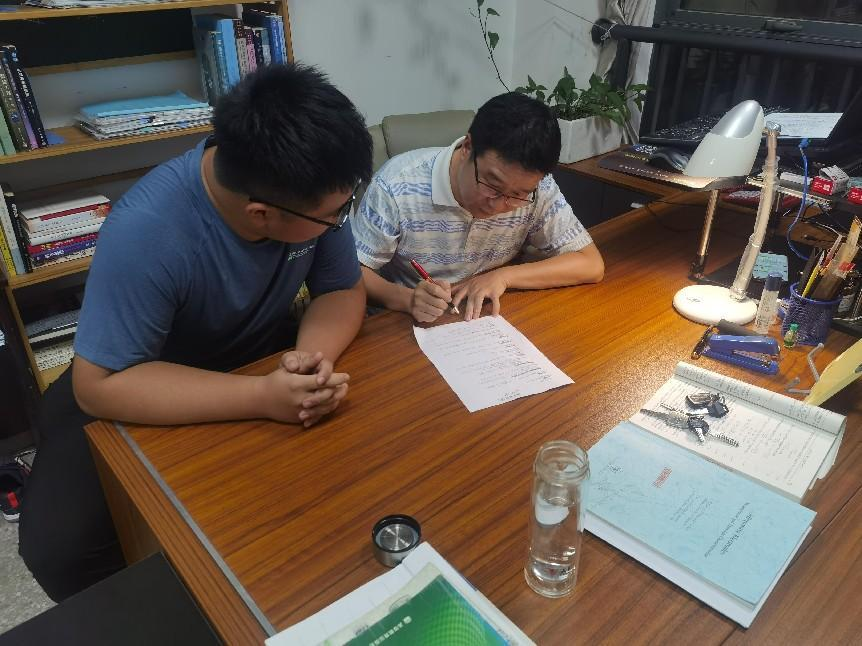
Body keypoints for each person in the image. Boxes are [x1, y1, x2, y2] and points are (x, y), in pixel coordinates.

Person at [19, 63, 372, 601]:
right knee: (58, 549)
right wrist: (262, 396)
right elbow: (99, 384)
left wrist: (310, 360)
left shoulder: (307, 194)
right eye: (334, 214)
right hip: (142, 375)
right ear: (261, 215)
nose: (341, 218)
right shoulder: (147, 232)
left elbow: (341, 290)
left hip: (259, 349)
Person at [353, 92, 604, 323]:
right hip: (411, 320)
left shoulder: (537, 188)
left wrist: (503, 277)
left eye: (518, 195)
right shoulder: (396, 185)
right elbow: (353, 272)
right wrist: (407, 299)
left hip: (486, 313)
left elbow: (590, 263)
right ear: (467, 147)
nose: (499, 204)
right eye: (492, 185)